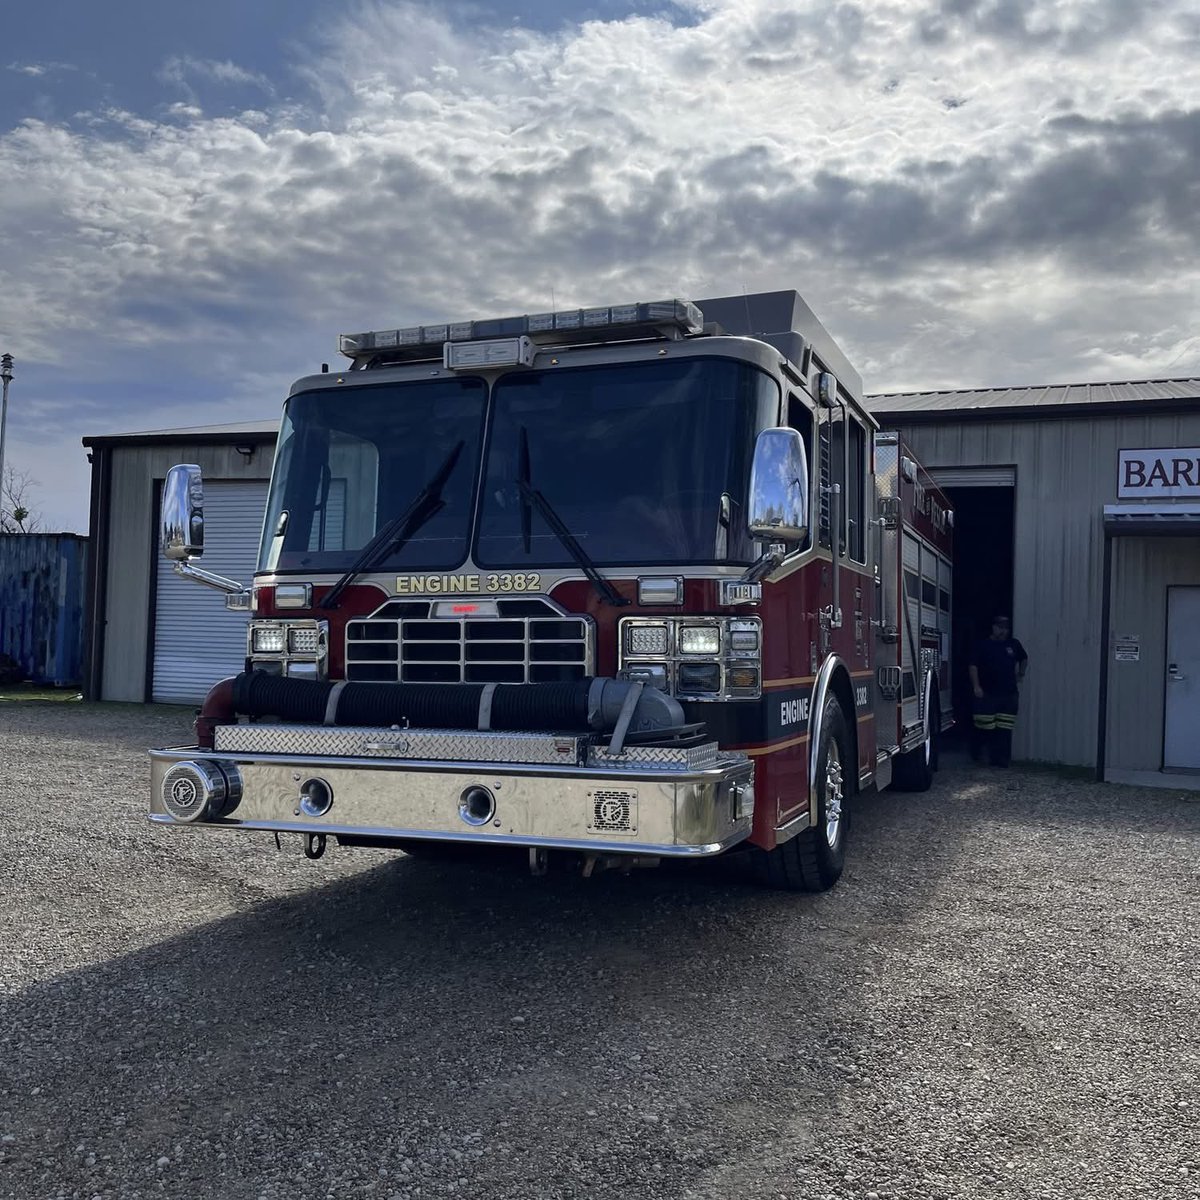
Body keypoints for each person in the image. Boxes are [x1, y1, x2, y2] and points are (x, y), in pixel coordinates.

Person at [968, 615, 1028, 767]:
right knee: (984, 727)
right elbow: (973, 666)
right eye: (1000, 627)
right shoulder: (983, 645)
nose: (1003, 631)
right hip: (987, 693)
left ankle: (1001, 760)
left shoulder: (1013, 644)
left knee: (1004, 729)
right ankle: (978, 754)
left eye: (1005, 628)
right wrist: (976, 686)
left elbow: (1024, 658)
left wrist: (1021, 673)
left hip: (1008, 694)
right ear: (993, 627)